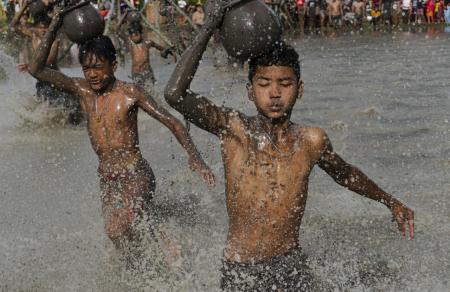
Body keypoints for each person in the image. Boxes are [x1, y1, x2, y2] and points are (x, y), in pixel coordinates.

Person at [164, 2, 414, 290]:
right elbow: (174, 94)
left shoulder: (311, 141)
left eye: (284, 83)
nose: (274, 93)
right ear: (250, 91)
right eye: (264, 84)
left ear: (300, 89)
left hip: (289, 265)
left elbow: (346, 175)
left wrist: (389, 201)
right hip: (239, 270)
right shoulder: (234, 129)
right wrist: (209, 27)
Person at [28, 14, 216, 264]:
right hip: (107, 179)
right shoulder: (82, 91)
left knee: (120, 224)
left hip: (136, 174)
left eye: (98, 67)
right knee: (118, 238)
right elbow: (36, 69)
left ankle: (165, 242)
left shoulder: (131, 94)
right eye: (86, 68)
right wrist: (56, 23)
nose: (92, 74)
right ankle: (142, 275)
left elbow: (172, 122)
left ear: (113, 65)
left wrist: (195, 155)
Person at [115, 10, 177, 94]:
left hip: (147, 72)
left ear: (142, 33)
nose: (135, 38)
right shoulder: (130, 42)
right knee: (139, 93)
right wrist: (125, 14)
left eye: (137, 35)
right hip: (136, 73)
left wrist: (171, 53)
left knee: (150, 92)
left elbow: (160, 47)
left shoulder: (147, 42)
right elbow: (117, 29)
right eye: (133, 36)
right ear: (130, 35)